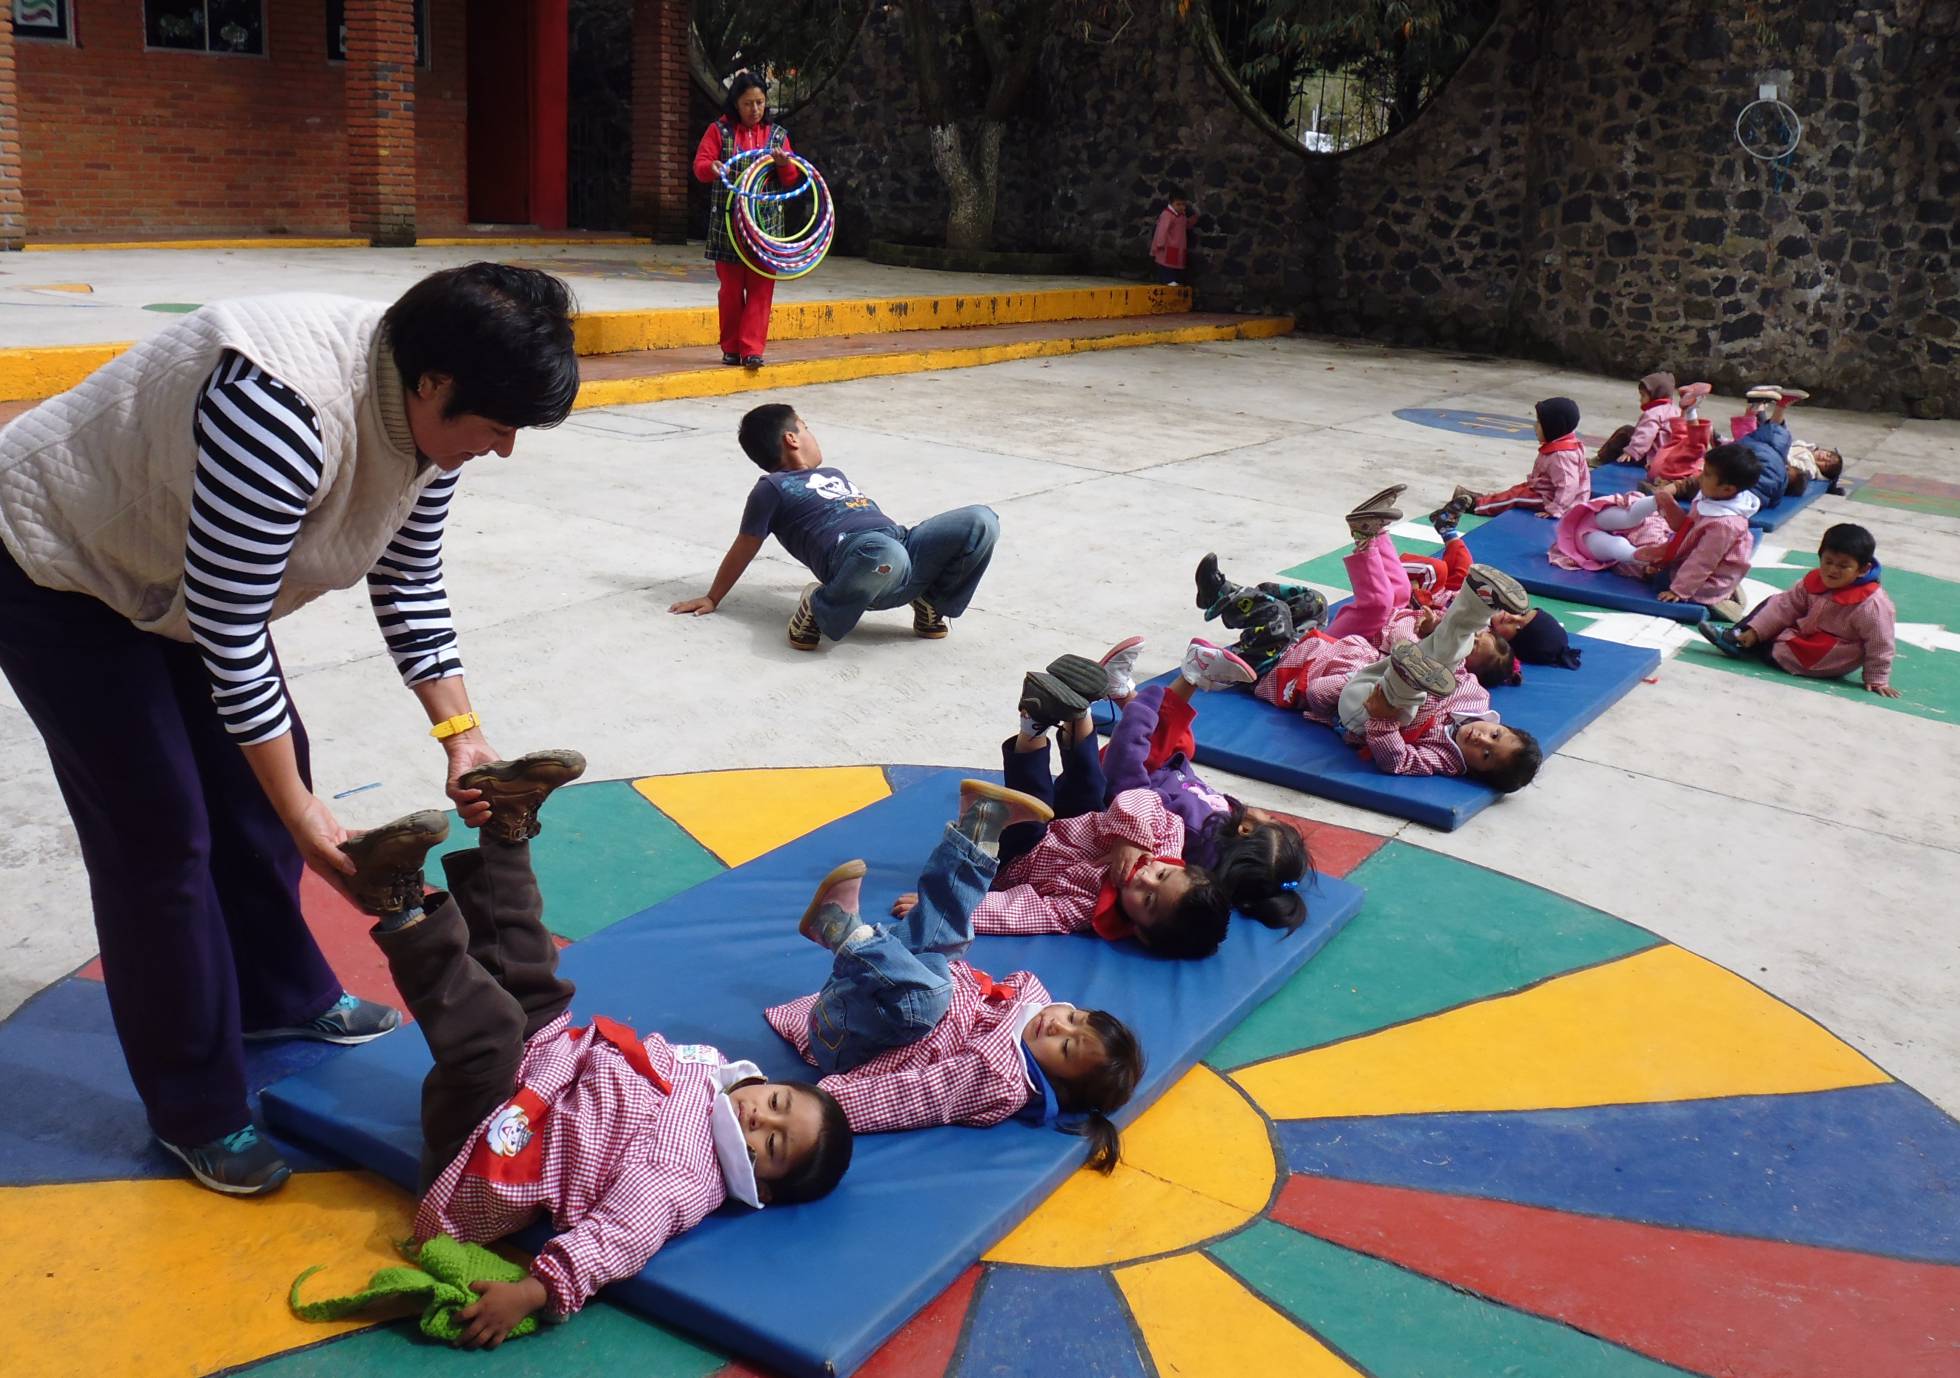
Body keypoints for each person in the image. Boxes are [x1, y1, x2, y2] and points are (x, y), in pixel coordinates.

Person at [0, 263, 580, 1195]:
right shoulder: (279, 410)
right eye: (500, 425)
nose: (505, 449)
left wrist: (461, 734)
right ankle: (196, 1106)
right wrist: (306, 813)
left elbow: (410, 578)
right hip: (61, 564)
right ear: (433, 384)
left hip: (184, 583)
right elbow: (232, 631)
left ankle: (276, 998)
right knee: (163, 838)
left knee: (261, 791)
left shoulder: (431, 423)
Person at [340, 753, 852, 1347]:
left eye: (771, 1145)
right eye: (779, 1104)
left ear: (760, 1186)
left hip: (490, 1144)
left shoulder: (685, 1178)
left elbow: (616, 1239)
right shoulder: (710, 1072)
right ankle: (505, 829)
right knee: (535, 976)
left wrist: (533, 1292)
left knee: (489, 1033)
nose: (761, 1119)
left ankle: (399, 907)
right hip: (547, 1066)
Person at [764, 781, 1143, 1175]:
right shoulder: (1025, 1004)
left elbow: (917, 1097)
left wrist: (823, 1108)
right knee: (948, 936)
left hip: (847, 1041)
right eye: (1075, 1020)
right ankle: (978, 829)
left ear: (1055, 1083)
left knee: (932, 997)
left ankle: (841, 932)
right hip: (874, 998)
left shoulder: (998, 1075)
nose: (1057, 1026)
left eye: (1065, 1048)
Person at [669, 404, 998, 652]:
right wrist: (713, 597)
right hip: (859, 557)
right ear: (792, 438)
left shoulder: (834, 473)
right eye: (806, 427)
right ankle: (819, 607)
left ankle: (931, 604)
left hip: (900, 543)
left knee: (980, 521)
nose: (813, 434)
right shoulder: (772, 488)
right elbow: (746, 543)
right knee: (885, 553)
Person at [967, 666, 1237, 957]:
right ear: (1179, 866)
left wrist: (951, 905)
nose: (1144, 878)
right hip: (1078, 824)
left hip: (1022, 856)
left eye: (1148, 899)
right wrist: (1132, 838)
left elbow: (1020, 911)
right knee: (1093, 787)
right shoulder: (1167, 841)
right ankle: (1077, 711)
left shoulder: (1086, 907)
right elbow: (1139, 798)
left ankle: (1034, 722)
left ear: (1141, 932)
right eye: (1162, 876)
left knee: (1032, 810)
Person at [1246, 561, 1544, 791]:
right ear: (1503, 726)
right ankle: (1478, 603)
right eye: (1495, 735)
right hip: (1379, 669)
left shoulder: (1444, 758)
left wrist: (1383, 720)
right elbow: (1459, 669)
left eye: (1486, 755)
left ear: (1477, 771)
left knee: (1401, 701)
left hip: (1366, 708)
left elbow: (1397, 760)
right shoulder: (1477, 699)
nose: (1481, 739)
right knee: (1448, 657)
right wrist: (1432, 631)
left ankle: (1409, 680)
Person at [1096, 644, 1313, 931]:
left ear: (1246, 829)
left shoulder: (1199, 834)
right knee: (1183, 744)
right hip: (1162, 769)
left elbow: (1134, 797)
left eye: (1272, 820)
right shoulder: (1224, 825)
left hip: (1126, 779)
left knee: (1158, 730)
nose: (1269, 814)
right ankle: (1123, 691)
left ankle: (1189, 674)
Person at [1698, 523, 1899, 696]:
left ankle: (1748, 647)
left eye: (1843, 566)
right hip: (1804, 631)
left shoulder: (1871, 604)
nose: (1832, 570)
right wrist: (1755, 630)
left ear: (1862, 569)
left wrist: (1877, 677)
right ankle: (1739, 635)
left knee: (1780, 651)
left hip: (1831, 651)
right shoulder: (1814, 581)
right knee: (1776, 601)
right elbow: (1786, 607)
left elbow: (1881, 642)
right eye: (1828, 562)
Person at [692, 71, 801, 367]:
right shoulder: (719, 131)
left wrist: (783, 165)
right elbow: (701, 166)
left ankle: (752, 350)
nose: (755, 110)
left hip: (765, 228)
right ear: (735, 104)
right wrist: (712, 167)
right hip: (729, 226)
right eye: (748, 104)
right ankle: (730, 348)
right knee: (730, 290)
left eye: (760, 102)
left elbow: (792, 179)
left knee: (761, 288)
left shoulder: (778, 136)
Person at [1621, 442, 1762, 619]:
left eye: (1707, 474)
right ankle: (1727, 586)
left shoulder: (1724, 525)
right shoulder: (1714, 495)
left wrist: (1679, 590)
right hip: (1694, 559)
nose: (1700, 477)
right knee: (1651, 552)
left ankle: (1720, 596)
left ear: (1727, 489)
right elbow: (1686, 526)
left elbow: (1703, 561)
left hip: (1705, 578)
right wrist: (1668, 502)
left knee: (1639, 570)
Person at [1434, 396, 1591, 520]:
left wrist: (1555, 510)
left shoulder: (1561, 456)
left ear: (1554, 427)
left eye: (1539, 423)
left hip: (1552, 500)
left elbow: (1568, 486)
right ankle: (1482, 499)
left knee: (1516, 497)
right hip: (1546, 490)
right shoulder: (1562, 444)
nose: (1535, 426)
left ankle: (1475, 505)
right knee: (1517, 490)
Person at [1591, 372, 1680, 470]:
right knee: (1633, 434)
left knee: (1625, 431)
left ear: (1655, 395)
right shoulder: (1676, 410)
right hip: (1668, 457)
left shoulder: (1653, 413)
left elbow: (1646, 435)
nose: (1640, 399)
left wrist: (1633, 451)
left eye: (1643, 396)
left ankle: (1602, 458)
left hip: (1651, 457)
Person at [1151, 191, 1192, 286]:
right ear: (1171, 203)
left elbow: (1185, 225)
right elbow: (1162, 230)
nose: (1181, 207)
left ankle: (1171, 281)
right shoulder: (1167, 215)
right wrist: (1160, 243)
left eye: (1183, 204)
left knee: (1175, 267)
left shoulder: (1181, 215)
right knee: (1166, 267)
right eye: (1178, 204)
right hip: (1167, 247)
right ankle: (1168, 281)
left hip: (1178, 247)